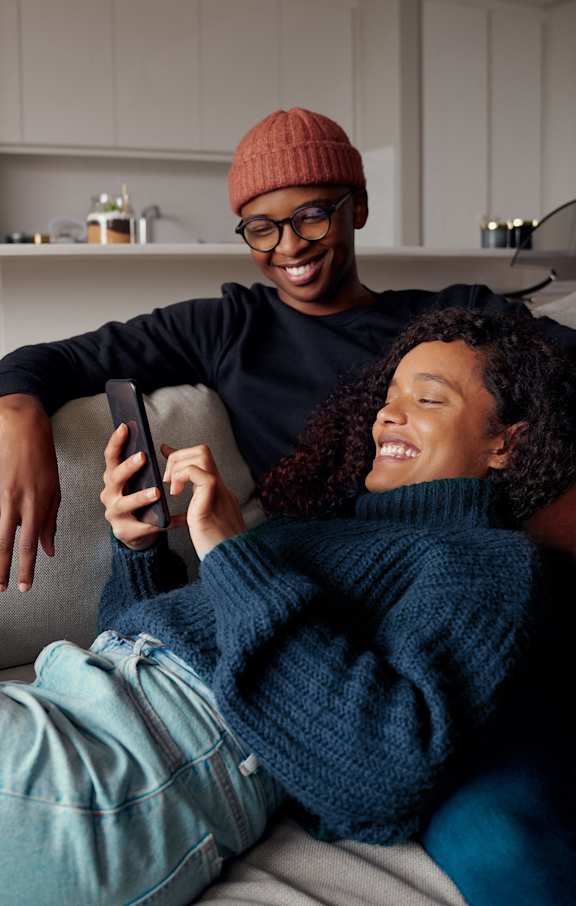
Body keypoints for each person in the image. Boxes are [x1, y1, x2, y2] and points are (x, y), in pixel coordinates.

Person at [1, 308, 574, 904]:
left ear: (507, 442)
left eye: (428, 401)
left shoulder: (485, 560)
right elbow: (145, 641)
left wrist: (231, 554)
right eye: (389, 395)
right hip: (77, 697)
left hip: (136, 761)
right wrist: (141, 552)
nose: (389, 413)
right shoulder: (321, 529)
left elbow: (384, 770)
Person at [0, 108, 575, 592]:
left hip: (455, 575)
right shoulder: (227, 326)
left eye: (313, 216)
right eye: (261, 227)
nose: (289, 245)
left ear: (358, 210)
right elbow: (56, 360)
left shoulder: (454, 320)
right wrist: (18, 410)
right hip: (322, 582)